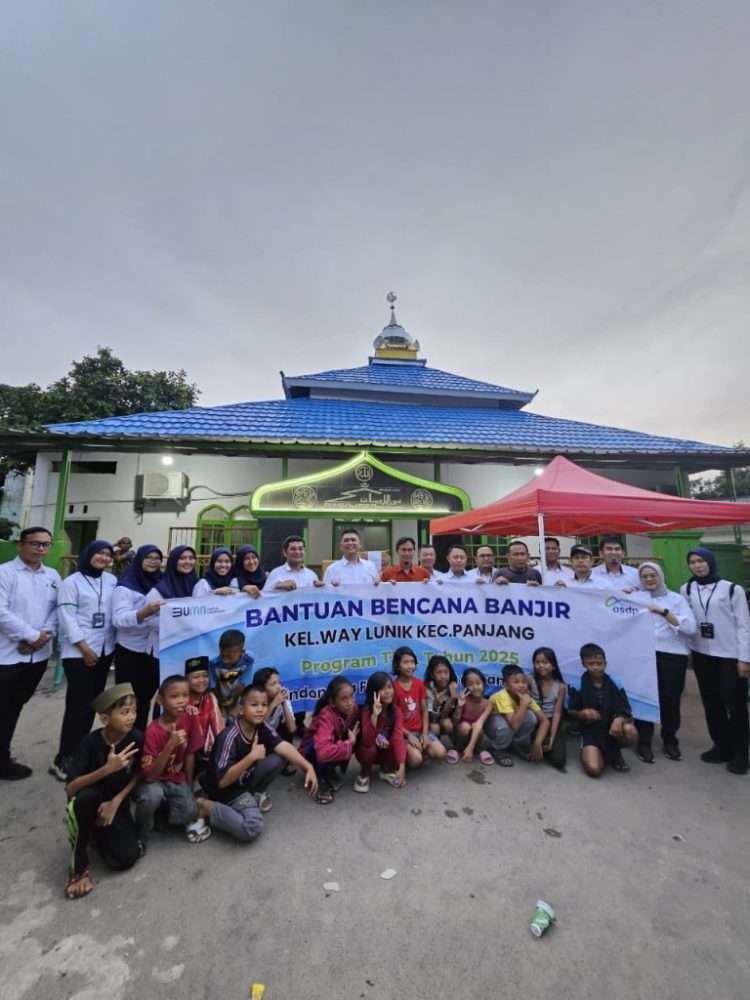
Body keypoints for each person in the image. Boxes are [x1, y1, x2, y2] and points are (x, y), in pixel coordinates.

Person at [203, 683, 317, 840]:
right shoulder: (230, 737)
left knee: (282, 755)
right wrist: (252, 757)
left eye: (264, 705)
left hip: (244, 782)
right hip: (227, 792)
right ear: (241, 710)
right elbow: (222, 782)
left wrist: (308, 767)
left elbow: (284, 746)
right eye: (254, 705)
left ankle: (253, 795)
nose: (260, 709)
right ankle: (207, 807)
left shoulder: (261, 726)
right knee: (252, 827)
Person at [63, 683, 144, 899]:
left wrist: (116, 802)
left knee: (125, 858)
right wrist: (106, 770)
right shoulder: (90, 742)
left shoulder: (136, 738)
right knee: (84, 800)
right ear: (105, 719)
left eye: (134, 711)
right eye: (124, 712)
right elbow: (70, 788)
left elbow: (139, 775)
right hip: (88, 801)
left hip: (115, 802)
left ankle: (95, 835)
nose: (131, 717)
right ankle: (78, 866)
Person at [51, 540, 118, 782]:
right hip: (79, 652)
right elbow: (67, 618)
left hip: (104, 649)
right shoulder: (72, 583)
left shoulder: (110, 581)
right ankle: (64, 758)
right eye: (99, 553)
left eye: (107, 554)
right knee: (77, 706)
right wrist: (84, 647)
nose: (103, 557)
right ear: (88, 553)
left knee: (93, 704)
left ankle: (81, 752)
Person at [680, 547, 750, 774]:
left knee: (736, 705)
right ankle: (721, 746)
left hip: (729, 655)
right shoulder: (687, 589)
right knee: (712, 703)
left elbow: (743, 625)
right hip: (702, 654)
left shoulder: (732, 589)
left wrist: (744, 658)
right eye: (692, 562)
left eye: (701, 561)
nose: (697, 566)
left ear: (710, 562)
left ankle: (741, 753)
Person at [0, 526, 60, 779]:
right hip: (7, 655)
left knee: (15, 707)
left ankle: (3, 755)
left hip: (38, 656)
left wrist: (43, 635)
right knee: (3, 708)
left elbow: (58, 610)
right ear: (20, 544)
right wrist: (32, 636)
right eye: (36, 544)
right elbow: (1, 612)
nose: (41, 549)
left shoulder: (53, 575)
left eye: (46, 545)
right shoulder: (5, 573)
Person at [133, 675, 212, 842]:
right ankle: (140, 832)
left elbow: (190, 754)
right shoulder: (152, 732)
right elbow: (150, 776)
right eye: (174, 696)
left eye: (185, 695)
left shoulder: (189, 717)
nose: (181, 701)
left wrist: (189, 787)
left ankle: (163, 813)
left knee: (190, 811)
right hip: (154, 780)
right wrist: (170, 745)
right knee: (151, 796)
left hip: (175, 778)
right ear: (161, 700)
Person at [633, 562, 696, 763]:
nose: (649, 579)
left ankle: (670, 739)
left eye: (653, 575)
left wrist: (663, 611)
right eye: (644, 576)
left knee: (670, 698)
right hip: (643, 655)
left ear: (660, 576)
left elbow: (690, 627)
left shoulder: (676, 599)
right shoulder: (636, 598)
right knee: (643, 696)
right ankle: (644, 740)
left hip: (672, 655)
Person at [111, 544, 164, 733]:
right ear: (139, 559)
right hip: (129, 651)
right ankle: (120, 745)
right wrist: (142, 613)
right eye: (148, 557)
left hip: (150, 651)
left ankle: (139, 742)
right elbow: (117, 619)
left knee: (144, 701)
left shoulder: (161, 583)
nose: (153, 561)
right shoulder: (125, 587)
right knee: (126, 702)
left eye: (157, 558)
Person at [567, 642, 638, 776]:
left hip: (612, 730)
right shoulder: (578, 685)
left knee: (630, 730)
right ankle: (603, 752)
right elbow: (570, 712)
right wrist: (582, 713)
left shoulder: (614, 682)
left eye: (599, 663)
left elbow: (627, 710)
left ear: (605, 663)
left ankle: (615, 752)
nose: (595, 667)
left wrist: (619, 719)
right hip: (591, 732)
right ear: (583, 664)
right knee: (594, 770)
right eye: (591, 664)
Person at [299, 676, 360, 803]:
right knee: (320, 746)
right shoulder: (326, 715)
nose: (350, 702)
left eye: (352, 696)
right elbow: (322, 753)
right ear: (332, 703)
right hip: (309, 755)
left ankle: (329, 772)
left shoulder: (353, 709)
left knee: (362, 731)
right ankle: (321, 778)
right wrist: (349, 743)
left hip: (333, 744)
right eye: (344, 699)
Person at [392, 646, 447, 766]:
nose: (410, 666)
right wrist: (408, 735)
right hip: (403, 733)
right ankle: (403, 756)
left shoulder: (419, 683)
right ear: (397, 665)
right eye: (405, 662)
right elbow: (392, 719)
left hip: (420, 730)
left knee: (441, 752)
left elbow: (425, 711)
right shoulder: (393, 687)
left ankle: (420, 749)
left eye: (412, 662)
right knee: (416, 760)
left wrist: (425, 734)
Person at [485, 665, 549, 766]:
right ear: (506, 685)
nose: (521, 685)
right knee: (506, 726)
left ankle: (514, 744)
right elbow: (514, 725)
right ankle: (499, 749)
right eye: (516, 682)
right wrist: (523, 704)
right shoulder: (502, 696)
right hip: (493, 725)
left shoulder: (525, 696)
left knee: (531, 717)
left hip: (510, 721)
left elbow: (544, 720)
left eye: (523, 682)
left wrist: (537, 743)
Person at [354, 671, 406, 792]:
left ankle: (386, 770)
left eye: (389, 687)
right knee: (369, 748)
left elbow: (398, 738)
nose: (388, 692)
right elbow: (367, 740)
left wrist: (402, 767)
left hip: (385, 752)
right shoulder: (367, 711)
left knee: (395, 742)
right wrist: (375, 716)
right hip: (368, 752)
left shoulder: (396, 711)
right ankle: (365, 773)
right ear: (374, 693)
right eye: (382, 689)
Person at [527, 647, 567, 770]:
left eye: (545, 662)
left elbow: (557, 713)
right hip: (533, 719)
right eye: (537, 662)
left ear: (553, 665)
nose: (541, 666)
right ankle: (535, 743)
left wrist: (551, 738)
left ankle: (542, 744)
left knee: (558, 761)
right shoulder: (529, 679)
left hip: (550, 721)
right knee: (536, 745)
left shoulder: (560, 686)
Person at [184, 655, 225, 776]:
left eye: (205, 676)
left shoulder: (211, 698)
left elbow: (220, 729)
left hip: (208, 754)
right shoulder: (182, 701)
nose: (202, 680)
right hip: (185, 753)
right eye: (196, 677)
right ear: (186, 680)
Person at [209, 629, 256, 721]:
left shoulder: (248, 659)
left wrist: (233, 707)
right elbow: (213, 687)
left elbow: (242, 684)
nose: (225, 660)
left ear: (242, 652)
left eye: (230, 657)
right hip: (219, 697)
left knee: (236, 720)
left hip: (238, 696)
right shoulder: (213, 663)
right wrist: (221, 707)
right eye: (222, 656)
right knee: (221, 721)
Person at [451, 667, 493, 764]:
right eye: (470, 684)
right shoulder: (463, 700)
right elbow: (455, 723)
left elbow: (478, 725)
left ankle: (475, 749)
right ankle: (457, 749)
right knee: (465, 726)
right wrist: (459, 706)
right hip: (460, 735)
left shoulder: (488, 704)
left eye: (478, 683)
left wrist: (470, 747)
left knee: (477, 727)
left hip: (476, 735)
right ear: (466, 687)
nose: (475, 687)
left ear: (483, 684)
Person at [252, 666, 297, 742]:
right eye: (273, 684)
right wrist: (273, 705)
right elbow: (256, 729)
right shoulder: (254, 702)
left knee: (285, 728)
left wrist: (284, 703)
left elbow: (292, 729)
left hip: (271, 737)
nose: (278, 687)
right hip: (256, 740)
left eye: (278, 682)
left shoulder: (281, 698)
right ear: (262, 688)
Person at [424, 654, 458, 747]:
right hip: (431, 720)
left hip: (444, 717)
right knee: (435, 727)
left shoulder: (451, 686)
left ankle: (456, 746)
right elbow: (433, 720)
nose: (443, 676)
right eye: (439, 672)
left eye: (446, 672)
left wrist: (452, 697)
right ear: (432, 674)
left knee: (447, 724)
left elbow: (445, 716)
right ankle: (436, 746)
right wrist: (436, 705)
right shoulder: (428, 689)